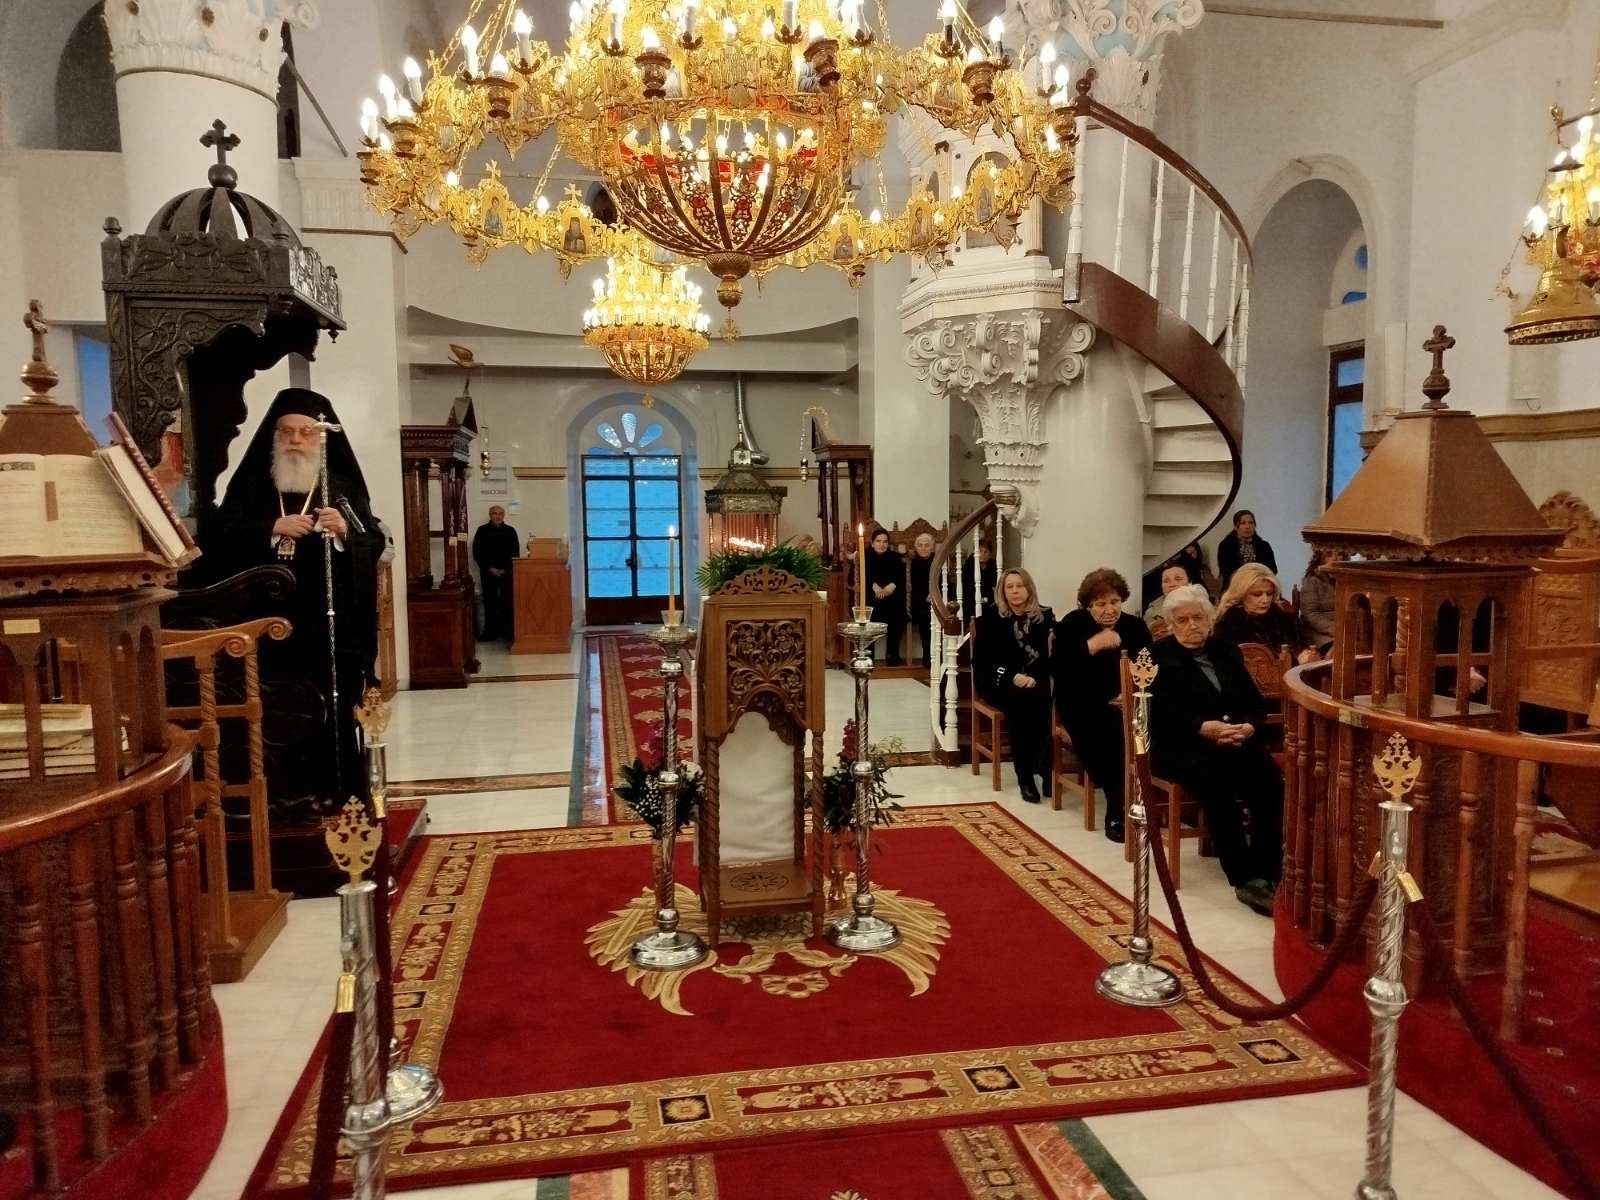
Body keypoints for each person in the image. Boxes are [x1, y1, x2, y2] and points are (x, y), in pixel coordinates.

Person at [206, 388, 386, 818]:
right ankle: (276, 797)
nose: (295, 440)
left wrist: (345, 532)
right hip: (262, 628)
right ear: (274, 436)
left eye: (306, 432)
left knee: (330, 708)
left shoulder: (340, 487)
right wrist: (271, 528)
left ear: (321, 439)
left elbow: (373, 540)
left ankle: (336, 791)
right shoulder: (252, 486)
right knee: (270, 712)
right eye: (286, 432)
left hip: (327, 627)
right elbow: (217, 540)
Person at [1150, 585, 1284, 915]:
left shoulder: (1225, 649)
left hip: (1234, 739)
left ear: (1209, 620)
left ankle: (1270, 870)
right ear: (1171, 624)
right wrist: (1202, 727)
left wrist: (1249, 726)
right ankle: (1245, 878)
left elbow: (1253, 702)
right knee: (1217, 785)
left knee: (1269, 779)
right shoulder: (1157, 656)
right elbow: (1160, 713)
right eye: (1183, 620)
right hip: (1182, 745)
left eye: (1198, 618)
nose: (1192, 625)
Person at [1052, 567, 1153, 842]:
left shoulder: (1135, 626)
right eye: (1100, 604)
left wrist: (1130, 693)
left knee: (1153, 725)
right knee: (1109, 734)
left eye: (1115, 602)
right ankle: (1116, 809)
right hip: (1083, 703)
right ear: (1088, 605)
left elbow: (1149, 666)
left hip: (1129, 701)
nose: (1109, 609)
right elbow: (1059, 670)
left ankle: (1149, 800)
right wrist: (1091, 646)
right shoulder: (1073, 624)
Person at [976, 568, 1055, 804]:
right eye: (1009, 587)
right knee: (1022, 701)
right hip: (1000, 681)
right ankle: (1026, 776)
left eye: (1019, 586)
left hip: (1037, 680)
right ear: (1002, 591)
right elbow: (984, 662)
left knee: (1047, 699)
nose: (1015, 591)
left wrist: (1035, 677)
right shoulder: (990, 619)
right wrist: (1012, 676)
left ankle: (1045, 767)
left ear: (1028, 588)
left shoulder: (1045, 616)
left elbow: (1051, 656)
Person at [1215, 563, 1318, 665]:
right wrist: (1295, 662)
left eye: (1269, 594)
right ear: (1241, 594)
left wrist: (1307, 656)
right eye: (1257, 594)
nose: (1265, 600)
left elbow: (1305, 649)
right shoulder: (1228, 627)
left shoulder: (1288, 621)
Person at [472, 505, 520, 641]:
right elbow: (477, 552)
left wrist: (505, 569)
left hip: (506, 572)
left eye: (500, 514)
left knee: (507, 602)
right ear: (490, 515)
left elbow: (515, 552)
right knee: (489, 602)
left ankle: (508, 632)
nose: (497, 516)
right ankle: (490, 633)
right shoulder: (482, 530)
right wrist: (490, 568)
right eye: (494, 513)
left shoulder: (510, 531)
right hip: (488, 572)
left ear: (503, 516)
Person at [865, 527, 906, 665]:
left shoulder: (894, 557)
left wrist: (893, 585)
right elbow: (854, 578)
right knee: (869, 614)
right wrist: (872, 585)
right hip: (871, 598)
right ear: (872, 543)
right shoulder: (864, 557)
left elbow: (901, 577)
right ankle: (868, 655)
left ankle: (892, 655)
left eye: (885, 541)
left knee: (898, 615)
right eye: (878, 541)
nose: (882, 544)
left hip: (891, 598)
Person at [1216, 509, 1277, 590]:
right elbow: (1226, 571)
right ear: (1235, 527)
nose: (1247, 527)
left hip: (1261, 585)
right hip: (1235, 587)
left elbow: (1273, 569)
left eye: (1250, 523)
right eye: (1243, 523)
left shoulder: (1264, 545)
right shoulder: (1225, 546)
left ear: (1254, 525)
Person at [1298, 548, 1338, 655]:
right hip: (1320, 634)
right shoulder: (1312, 581)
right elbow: (1310, 614)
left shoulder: (1345, 580)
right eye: (1329, 554)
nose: (1335, 558)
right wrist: (1334, 628)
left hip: (1344, 629)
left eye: (1339, 554)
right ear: (1321, 558)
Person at [1142, 561, 1194, 639]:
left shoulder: (1203, 607)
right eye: (1166, 581)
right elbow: (1144, 646)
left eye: (1178, 579)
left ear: (1190, 583)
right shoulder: (1152, 612)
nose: (1172, 584)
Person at [907, 532, 937, 668]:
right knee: (925, 614)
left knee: (929, 615)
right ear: (915, 547)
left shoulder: (938, 560)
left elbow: (944, 581)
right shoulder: (911, 562)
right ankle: (928, 655)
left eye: (927, 545)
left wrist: (934, 593)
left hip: (932, 599)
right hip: (914, 600)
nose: (923, 548)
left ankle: (930, 655)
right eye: (920, 545)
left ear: (932, 547)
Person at [961, 537, 998, 621]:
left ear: (990, 554)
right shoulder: (968, 566)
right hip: (970, 603)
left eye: (986, 552)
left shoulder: (993, 565)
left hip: (988, 602)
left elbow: (995, 586)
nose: (982, 554)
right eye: (980, 551)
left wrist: (987, 599)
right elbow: (968, 589)